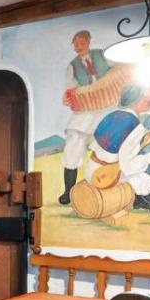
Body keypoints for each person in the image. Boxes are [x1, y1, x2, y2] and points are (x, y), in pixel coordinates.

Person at [89, 86, 150, 216]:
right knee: (142, 178)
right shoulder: (135, 126)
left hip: (92, 169)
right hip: (106, 176)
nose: (149, 99)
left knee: (136, 175)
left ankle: (139, 202)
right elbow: (128, 166)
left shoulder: (114, 114)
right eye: (144, 96)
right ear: (135, 100)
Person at [58, 30, 113, 204]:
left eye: (81, 43)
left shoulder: (103, 55)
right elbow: (70, 89)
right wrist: (67, 97)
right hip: (85, 111)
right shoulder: (72, 66)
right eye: (75, 44)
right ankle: (68, 191)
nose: (78, 46)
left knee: (108, 147)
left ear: (88, 42)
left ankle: (107, 188)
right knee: (73, 142)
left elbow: (119, 72)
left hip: (107, 107)